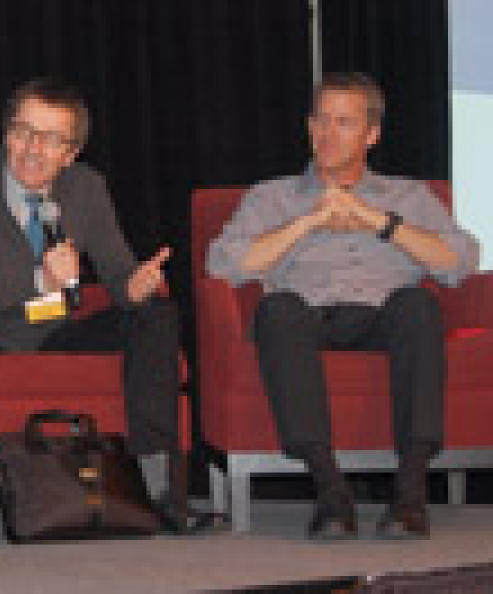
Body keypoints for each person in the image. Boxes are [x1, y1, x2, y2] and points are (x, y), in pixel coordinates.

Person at [0, 77, 206, 543]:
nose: (32, 149)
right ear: (5, 133)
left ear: (70, 153)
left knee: (155, 314)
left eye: (49, 138)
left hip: (55, 327)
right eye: (22, 131)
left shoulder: (87, 188)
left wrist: (135, 286)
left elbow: (117, 272)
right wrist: (36, 280)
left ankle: (161, 491)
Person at [207, 72, 479, 540]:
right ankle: (331, 491)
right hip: (309, 316)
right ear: (308, 126)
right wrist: (306, 224)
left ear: (372, 135)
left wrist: (380, 222)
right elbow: (224, 263)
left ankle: (410, 495)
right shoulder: (272, 196)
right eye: (321, 121)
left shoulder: (408, 196)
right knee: (277, 310)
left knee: (418, 305)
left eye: (345, 123)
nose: (328, 134)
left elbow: (460, 261)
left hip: (384, 316)